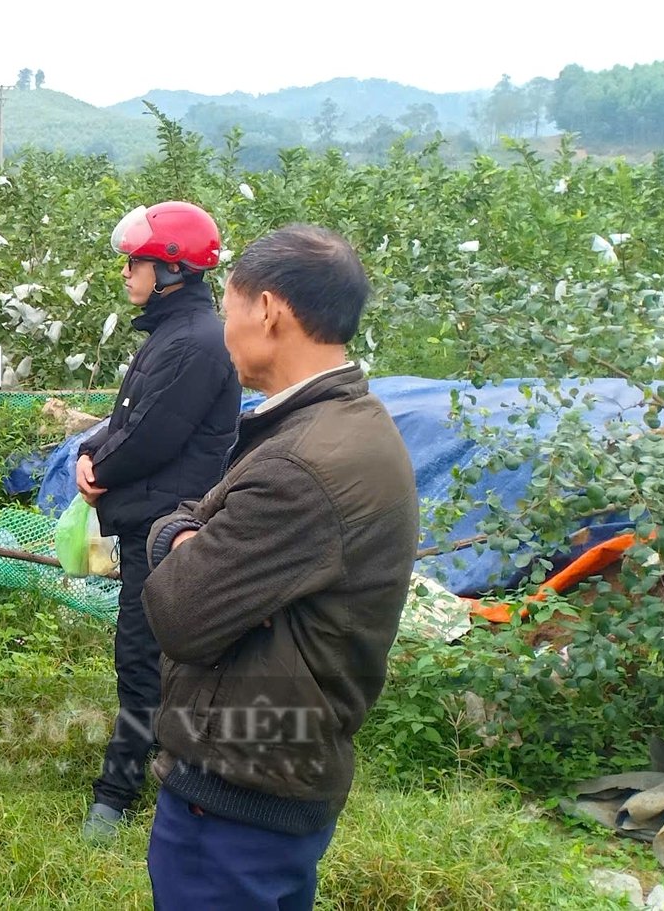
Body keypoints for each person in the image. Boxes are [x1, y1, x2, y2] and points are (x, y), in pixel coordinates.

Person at [141, 224, 419, 909]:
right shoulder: (342, 426)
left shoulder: (303, 464)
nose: (224, 325)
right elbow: (196, 529)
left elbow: (179, 607)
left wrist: (178, 538)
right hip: (278, 777)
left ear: (267, 309)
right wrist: (191, 533)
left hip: (238, 792)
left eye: (228, 306)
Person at [76, 201, 242, 842]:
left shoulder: (193, 343)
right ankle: (168, 775)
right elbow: (130, 421)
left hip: (170, 526)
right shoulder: (174, 336)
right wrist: (93, 449)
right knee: (154, 657)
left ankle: (118, 796)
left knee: (147, 658)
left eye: (135, 262)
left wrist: (99, 466)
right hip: (154, 518)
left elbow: (152, 437)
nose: (126, 272)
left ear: (170, 268)